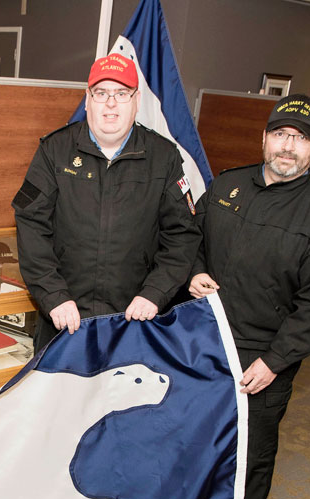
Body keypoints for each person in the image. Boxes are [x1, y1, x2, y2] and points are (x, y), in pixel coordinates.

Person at [190, 94, 310, 499]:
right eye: (280, 134)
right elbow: (187, 239)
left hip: (263, 356)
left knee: (252, 449)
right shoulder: (226, 184)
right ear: (264, 138)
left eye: (300, 139)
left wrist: (275, 361)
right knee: (195, 431)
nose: (288, 147)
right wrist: (192, 273)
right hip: (204, 339)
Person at [13, 53, 200, 353]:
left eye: (121, 93)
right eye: (101, 93)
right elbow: (31, 227)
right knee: (61, 400)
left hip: (134, 321)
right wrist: (53, 296)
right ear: (87, 99)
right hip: (63, 319)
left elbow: (182, 237)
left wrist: (154, 294)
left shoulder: (164, 158)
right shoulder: (54, 151)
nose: (110, 103)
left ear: (136, 100)